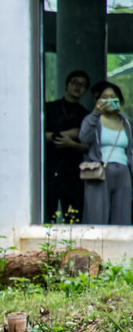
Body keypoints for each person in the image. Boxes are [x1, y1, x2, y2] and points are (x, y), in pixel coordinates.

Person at [80, 81, 133, 225]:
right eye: (104, 97)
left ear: (120, 100)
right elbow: (83, 136)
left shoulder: (127, 122)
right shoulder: (94, 120)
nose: (109, 100)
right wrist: (96, 113)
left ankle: (121, 247)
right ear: (98, 101)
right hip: (100, 171)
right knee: (97, 214)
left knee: (122, 215)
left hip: (123, 171)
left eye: (112, 97)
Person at [44, 71, 90, 223]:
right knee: (47, 215)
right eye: (74, 83)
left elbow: (88, 146)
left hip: (73, 171)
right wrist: (65, 134)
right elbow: (37, 135)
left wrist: (72, 144)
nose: (78, 87)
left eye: (82, 85)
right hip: (50, 168)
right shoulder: (49, 108)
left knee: (74, 218)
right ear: (66, 85)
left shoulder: (86, 115)